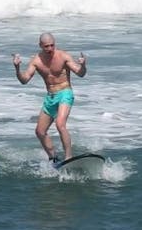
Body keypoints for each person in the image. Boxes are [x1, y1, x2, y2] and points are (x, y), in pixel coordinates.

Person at [12, 32, 87, 164]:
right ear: (40, 45)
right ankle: (54, 158)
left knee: (60, 124)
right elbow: (24, 80)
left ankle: (68, 158)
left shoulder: (63, 56)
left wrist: (83, 65)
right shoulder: (36, 61)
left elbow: (80, 73)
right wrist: (17, 69)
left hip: (65, 92)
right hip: (50, 97)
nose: (50, 49)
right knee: (40, 131)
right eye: (46, 46)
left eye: (52, 45)